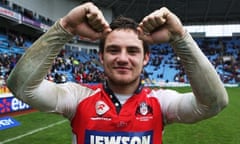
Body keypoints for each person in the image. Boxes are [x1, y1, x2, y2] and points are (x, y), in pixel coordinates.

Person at [6, 2, 228, 144]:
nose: (123, 58)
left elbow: (214, 103)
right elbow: (22, 86)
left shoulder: (161, 102)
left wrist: (180, 37)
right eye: (113, 50)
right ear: (101, 57)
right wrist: (66, 27)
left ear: (145, 58)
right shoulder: (77, 98)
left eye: (132, 50)